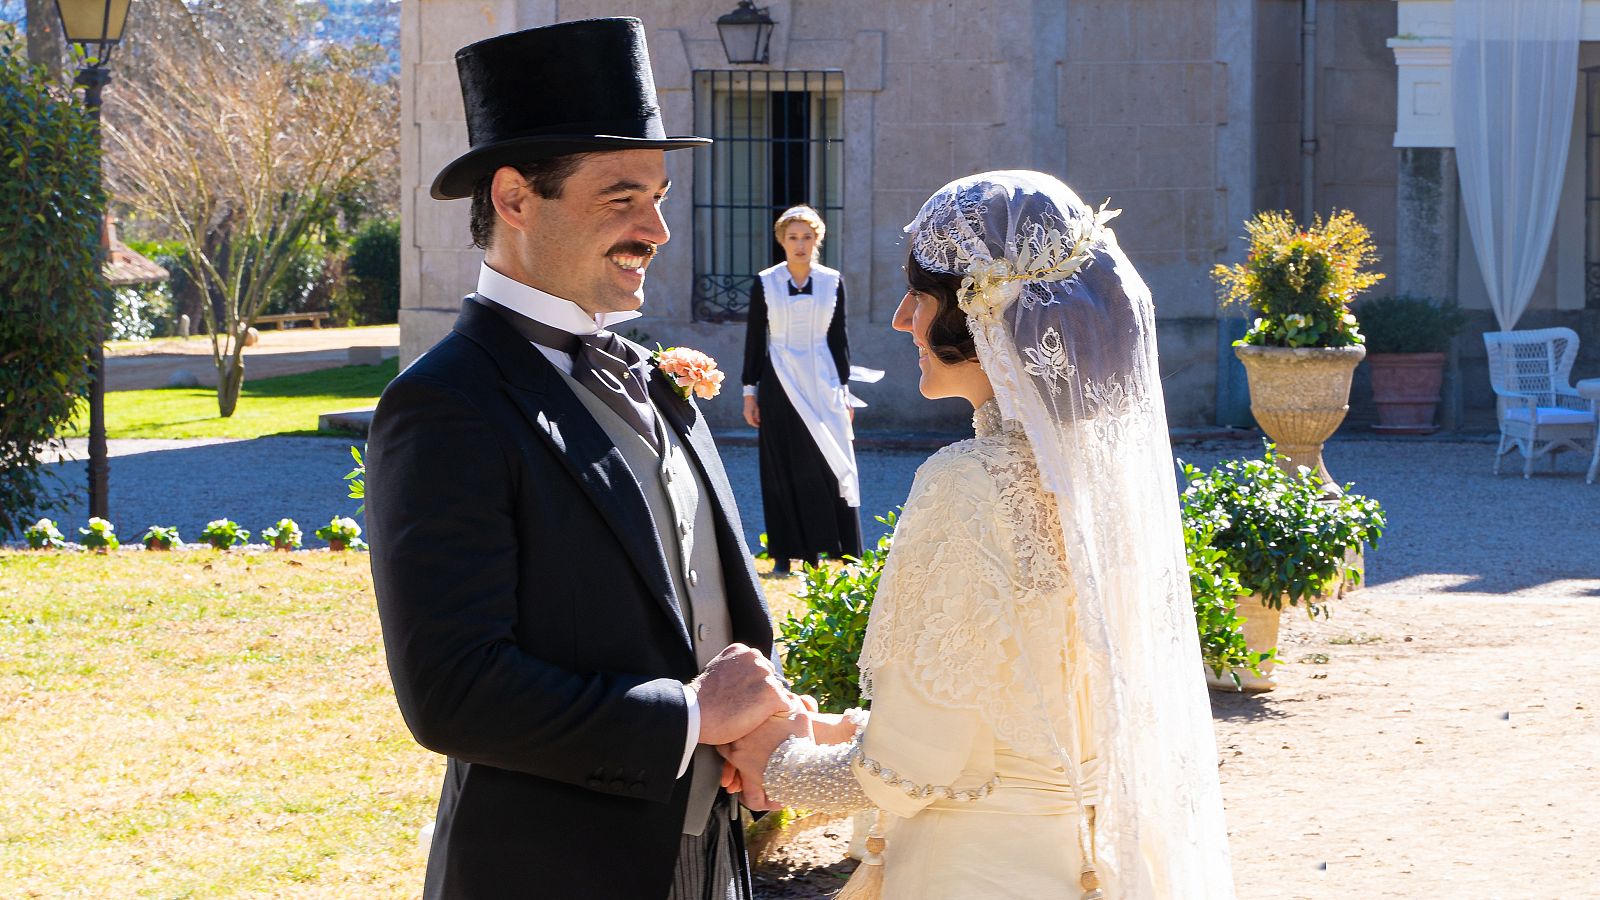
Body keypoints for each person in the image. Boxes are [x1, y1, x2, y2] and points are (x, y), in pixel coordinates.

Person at [365, 19, 795, 900]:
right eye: (622, 198)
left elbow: (697, 592)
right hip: (557, 868)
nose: (658, 230)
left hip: (714, 859)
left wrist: (761, 726)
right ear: (517, 199)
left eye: (662, 196)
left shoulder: (648, 373)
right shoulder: (443, 405)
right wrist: (690, 717)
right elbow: (452, 690)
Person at [719, 171, 1238, 898]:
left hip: (976, 868)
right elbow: (1007, 706)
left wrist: (778, 759)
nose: (902, 319)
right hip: (1085, 857)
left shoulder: (969, 483)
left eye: (921, 297)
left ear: (983, 316)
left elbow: (913, 768)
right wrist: (840, 728)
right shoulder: (1101, 488)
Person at [740, 206, 863, 575]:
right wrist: (750, 391)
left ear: (817, 239)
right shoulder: (765, 282)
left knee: (827, 460)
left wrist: (845, 391)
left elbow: (840, 339)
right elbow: (754, 340)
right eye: (792, 237)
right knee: (781, 466)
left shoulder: (831, 281)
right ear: (781, 241)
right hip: (778, 381)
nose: (800, 244)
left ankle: (834, 549)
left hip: (823, 382)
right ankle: (784, 554)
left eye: (807, 237)